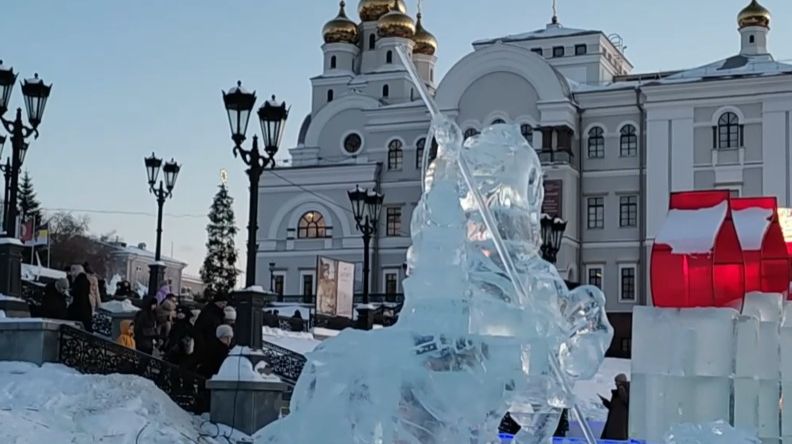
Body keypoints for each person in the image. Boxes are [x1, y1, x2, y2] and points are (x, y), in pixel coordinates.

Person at [600, 373, 630, 440]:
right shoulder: (617, 393)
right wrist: (605, 401)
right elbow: (612, 407)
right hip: (614, 422)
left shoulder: (624, 391)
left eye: (617, 382)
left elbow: (626, 402)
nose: (615, 383)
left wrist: (622, 391)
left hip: (619, 424)